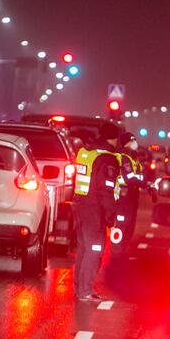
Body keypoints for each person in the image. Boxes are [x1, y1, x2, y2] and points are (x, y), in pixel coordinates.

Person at [72, 122, 121, 302]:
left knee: (84, 249)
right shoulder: (108, 159)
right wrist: (110, 214)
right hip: (94, 209)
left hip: (79, 204)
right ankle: (85, 291)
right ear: (113, 138)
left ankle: (79, 288)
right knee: (94, 249)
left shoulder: (86, 152)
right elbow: (105, 190)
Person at [110, 132, 150, 257]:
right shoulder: (123, 157)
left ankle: (121, 250)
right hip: (123, 197)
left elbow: (139, 176)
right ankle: (116, 252)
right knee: (122, 225)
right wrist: (145, 184)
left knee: (129, 227)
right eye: (132, 140)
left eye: (134, 140)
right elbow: (129, 178)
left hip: (131, 197)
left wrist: (147, 185)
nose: (134, 142)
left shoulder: (133, 158)